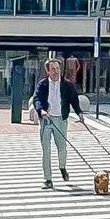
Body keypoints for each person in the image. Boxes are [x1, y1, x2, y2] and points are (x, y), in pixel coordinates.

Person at [31, 58, 77, 188]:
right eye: (53, 69)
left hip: (61, 119)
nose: (56, 71)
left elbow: (74, 99)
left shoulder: (66, 84)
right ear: (48, 71)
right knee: (46, 150)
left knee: (62, 148)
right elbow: (37, 99)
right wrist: (41, 110)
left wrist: (79, 113)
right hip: (46, 119)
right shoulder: (42, 84)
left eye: (58, 69)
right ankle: (48, 179)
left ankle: (62, 167)